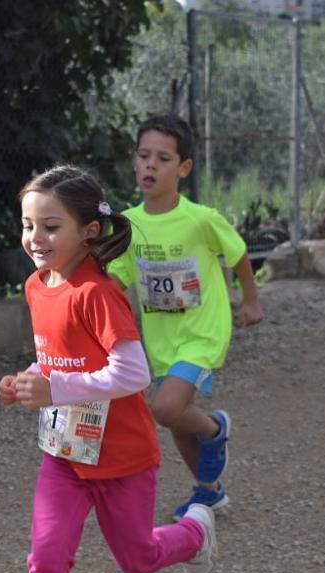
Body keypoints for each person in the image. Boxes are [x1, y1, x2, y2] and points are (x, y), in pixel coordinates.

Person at [0, 164, 217, 573]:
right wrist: (27, 379)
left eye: (51, 227)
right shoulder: (37, 286)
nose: (36, 238)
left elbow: (134, 373)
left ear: (88, 231)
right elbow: (56, 355)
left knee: (137, 562)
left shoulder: (98, 294)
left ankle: (195, 532)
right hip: (65, 457)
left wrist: (54, 388)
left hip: (123, 458)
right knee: (46, 562)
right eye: (29, 225)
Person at [107, 115, 264, 521]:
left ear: (183, 168)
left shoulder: (200, 218)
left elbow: (238, 254)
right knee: (176, 423)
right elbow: (117, 278)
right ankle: (208, 492)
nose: (150, 166)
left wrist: (251, 302)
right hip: (161, 340)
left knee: (164, 408)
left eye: (162, 158)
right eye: (144, 156)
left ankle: (215, 429)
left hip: (203, 333)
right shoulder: (128, 224)